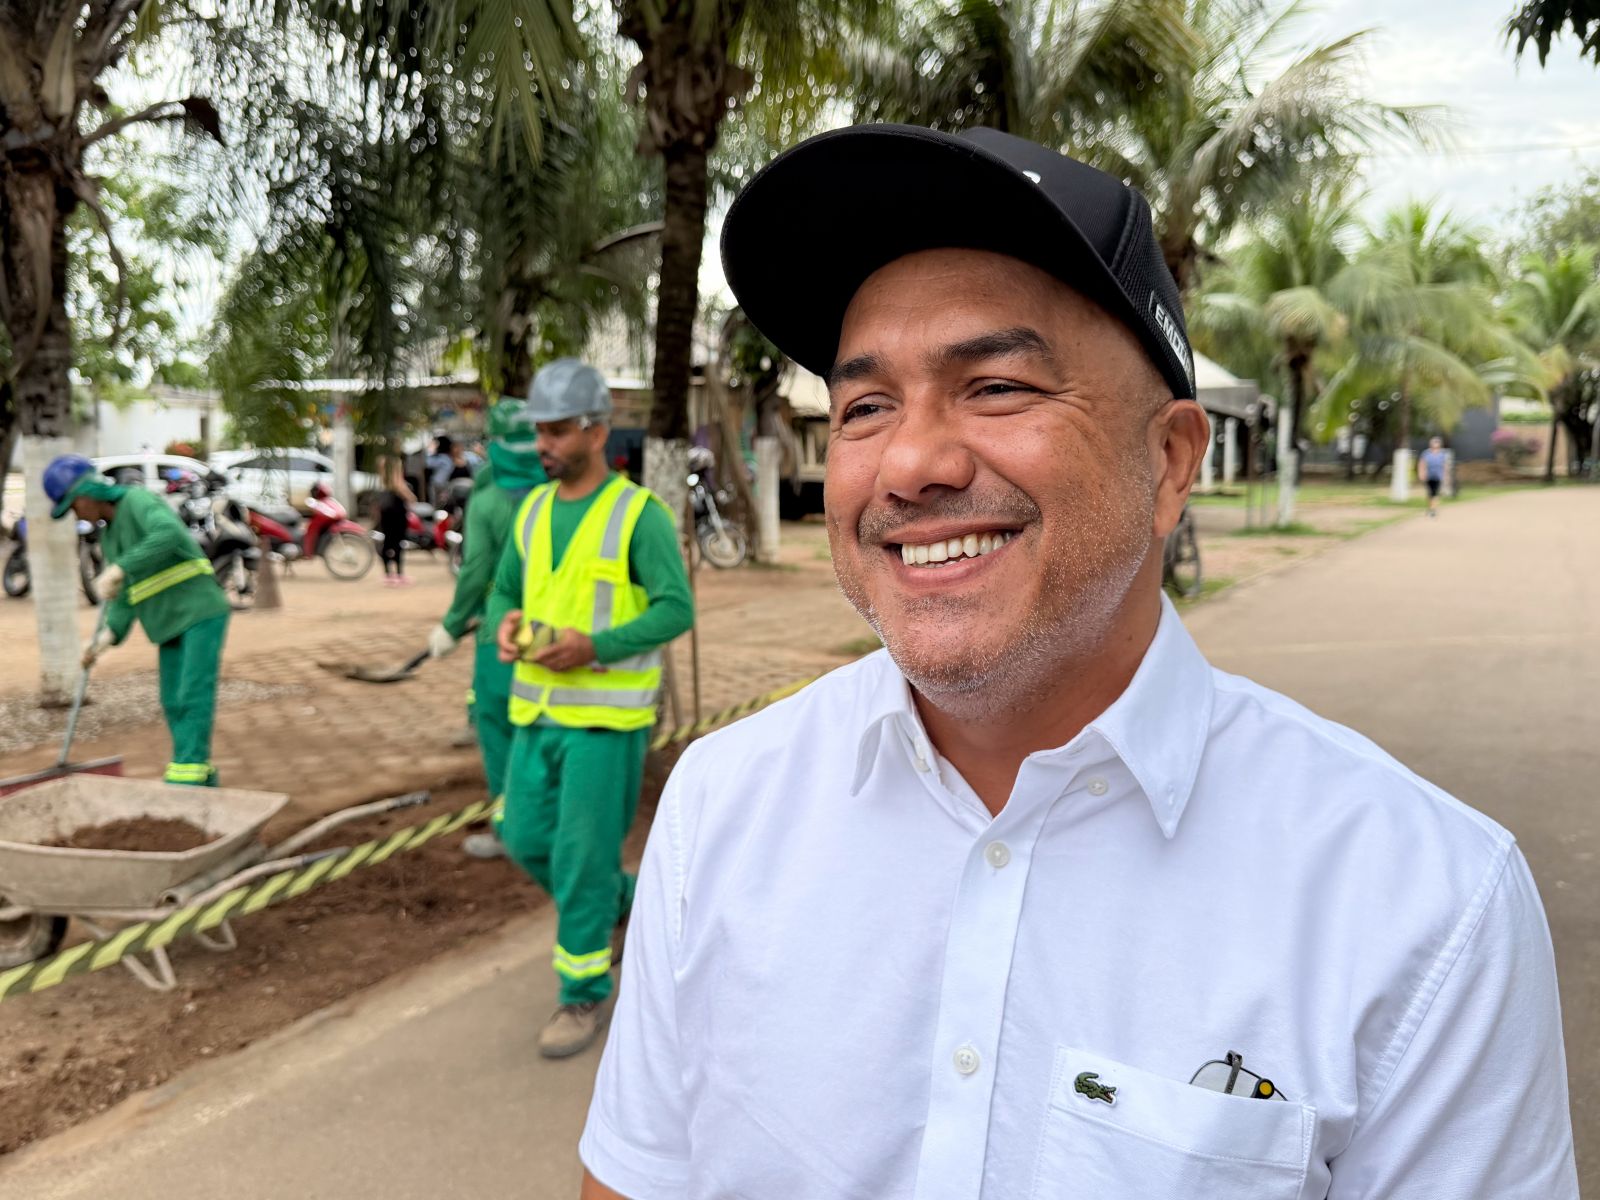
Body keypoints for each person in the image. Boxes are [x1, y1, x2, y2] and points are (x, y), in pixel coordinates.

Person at [580, 126, 1577, 1198]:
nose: (909, 465)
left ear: (1168, 461)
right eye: (863, 407)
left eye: (998, 386)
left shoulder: (1420, 901)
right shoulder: (723, 808)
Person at [485, 358, 693, 1060]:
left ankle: (583, 995)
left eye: (555, 431)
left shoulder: (640, 516)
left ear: (597, 430)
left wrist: (595, 645)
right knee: (520, 835)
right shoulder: (533, 511)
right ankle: (621, 898)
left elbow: (675, 609)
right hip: (536, 717)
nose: (542, 444)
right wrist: (506, 626)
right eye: (537, 431)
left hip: (604, 725)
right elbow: (503, 592)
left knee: (577, 858)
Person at [43, 454, 231, 786]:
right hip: (165, 621)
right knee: (172, 700)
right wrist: (105, 637)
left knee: (192, 694)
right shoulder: (110, 537)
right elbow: (126, 596)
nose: (77, 514)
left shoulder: (138, 500)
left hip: (200, 611)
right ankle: (201, 776)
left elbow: (168, 534)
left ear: (87, 493)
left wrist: (121, 567)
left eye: (74, 506)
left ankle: (189, 772)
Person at [424, 398, 548, 854]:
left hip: (505, 629)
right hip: (559, 622)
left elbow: (475, 568)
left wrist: (452, 625)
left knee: (500, 727)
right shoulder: (560, 491)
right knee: (545, 726)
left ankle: (511, 827)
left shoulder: (490, 496)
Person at [375, 458, 414, 586]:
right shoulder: (396, 481)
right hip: (397, 512)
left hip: (386, 511)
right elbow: (403, 490)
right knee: (397, 543)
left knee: (388, 541)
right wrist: (411, 497)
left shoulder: (383, 479)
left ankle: (389, 573)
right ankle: (397, 573)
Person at [1418, 435, 1449, 517]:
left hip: (1438, 476)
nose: (1435, 444)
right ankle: (1430, 508)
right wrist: (1421, 473)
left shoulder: (1442, 454)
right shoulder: (1426, 453)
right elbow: (1422, 464)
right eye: (1433, 442)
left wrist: (1445, 476)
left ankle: (1433, 510)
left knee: (1435, 493)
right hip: (1428, 476)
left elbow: (1445, 465)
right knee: (1429, 493)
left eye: (1437, 442)